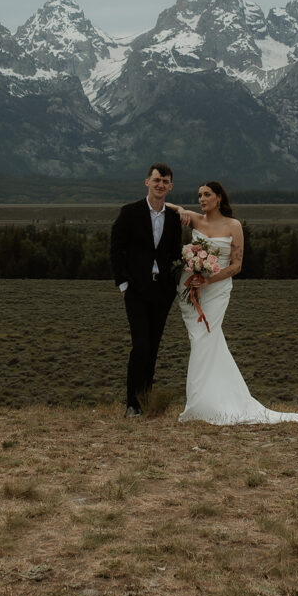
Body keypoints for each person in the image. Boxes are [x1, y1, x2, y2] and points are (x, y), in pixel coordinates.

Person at [168, 182, 298, 425]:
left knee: (205, 339)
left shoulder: (233, 225)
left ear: (219, 198)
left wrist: (208, 281)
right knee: (204, 340)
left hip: (215, 290)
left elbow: (236, 266)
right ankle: (211, 400)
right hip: (190, 291)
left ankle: (203, 404)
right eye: (198, 195)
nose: (201, 199)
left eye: (207, 194)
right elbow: (167, 206)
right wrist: (169, 203)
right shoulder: (196, 220)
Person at [111, 163, 183, 417]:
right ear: (147, 182)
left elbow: (176, 254)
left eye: (165, 181)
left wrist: (173, 287)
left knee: (152, 348)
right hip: (136, 290)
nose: (160, 185)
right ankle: (132, 404)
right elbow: (116, 248)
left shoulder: (174, 218)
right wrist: (123, 283)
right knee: (140, 345)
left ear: (170, 186)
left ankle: (145, 402)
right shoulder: (130, 212)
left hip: (162, 292)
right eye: (156, 180)